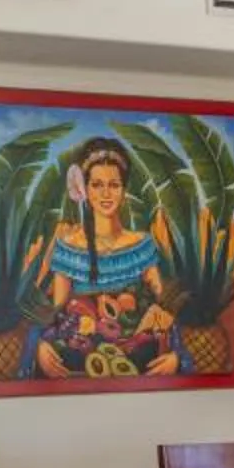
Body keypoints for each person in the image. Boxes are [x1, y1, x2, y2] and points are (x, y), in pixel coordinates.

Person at [30, 137, 180, 378]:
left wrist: (176, 356)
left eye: (114, 184)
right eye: (97, 185)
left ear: (124, 190)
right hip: (80, 357)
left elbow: (166, 310)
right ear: (84, 189)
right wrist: (40, 346)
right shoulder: (68, 247)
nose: (106, 193)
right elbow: (54, 313)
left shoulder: (142, 245)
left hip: (139, 357)